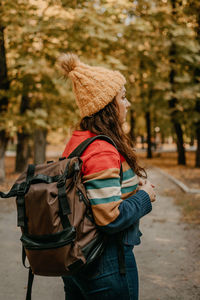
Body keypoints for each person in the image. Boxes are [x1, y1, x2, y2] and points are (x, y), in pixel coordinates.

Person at [57, 53, 156, 300]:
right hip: (104, 263)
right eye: (122, 97)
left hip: (77, 259)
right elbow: (109, 218)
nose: (128, 103)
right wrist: (145, 196)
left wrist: (131, 185)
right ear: (107, 106)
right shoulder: (101, 148)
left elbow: (92, 192)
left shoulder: (79, 141)